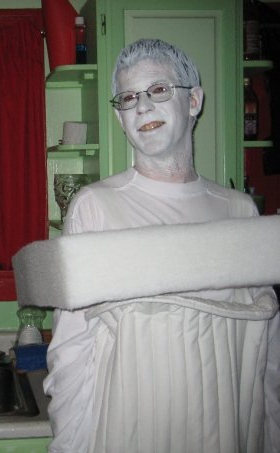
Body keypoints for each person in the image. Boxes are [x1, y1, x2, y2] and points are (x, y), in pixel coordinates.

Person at [43, 38, 280, 452]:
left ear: (194, 101)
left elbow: (268, 351)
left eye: (158, 90)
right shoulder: (95, 208)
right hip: (129, 430)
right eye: (129, 97)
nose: (142, 107)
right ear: (120, 119)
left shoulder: (239, 211)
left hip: (229, 430)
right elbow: (71, 351)